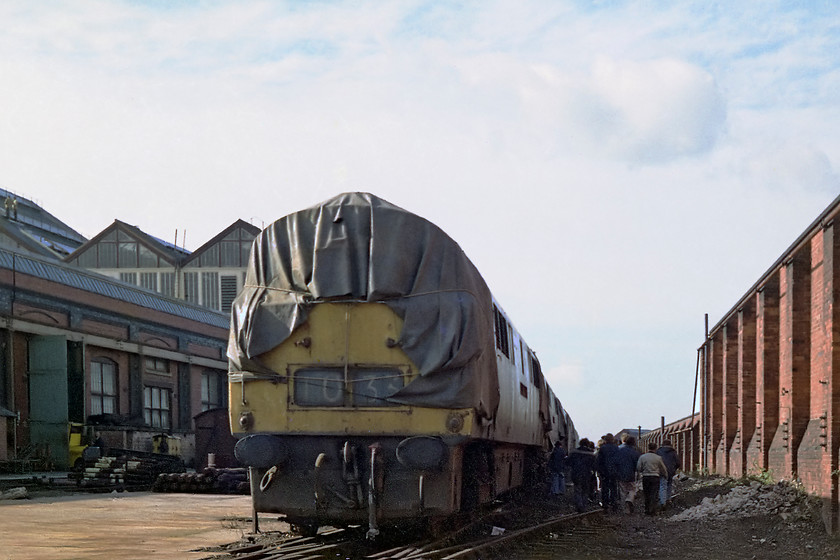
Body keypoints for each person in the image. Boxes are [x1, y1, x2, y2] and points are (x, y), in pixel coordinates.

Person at [637, 442, 668, 515]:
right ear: (655, 448)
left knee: (647, 493)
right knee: (654, 494)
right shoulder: (658, 458)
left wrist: (642, 471)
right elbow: (663, 468)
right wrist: (665, 475)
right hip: (655, 477)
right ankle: (653, 510)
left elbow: (638, 467)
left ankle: (647, 509)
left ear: (648, 448)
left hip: (646, 477)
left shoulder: (642, 457)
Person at [566, 438, 597, 512]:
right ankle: (584, 505)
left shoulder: (574, 452)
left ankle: (579, 505)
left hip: (576, 473)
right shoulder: (591, 453)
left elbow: (568, 462)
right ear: (587, 444)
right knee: (585, 490)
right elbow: (594, 465)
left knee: (577, 489)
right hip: (587, 474)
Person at [595, 433, 620, 512]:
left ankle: (605, 505)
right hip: (614, 471)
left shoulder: (602, 449)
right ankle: (614, 504)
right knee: (613, 488)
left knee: (604, 488)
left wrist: (600, 471)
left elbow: (599, 461)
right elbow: (619, 461)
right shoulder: (616, 448)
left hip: (604, 471)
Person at [616, 435, 641, 513]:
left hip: (620, 473)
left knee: (622, 490)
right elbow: (637, 464)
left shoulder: (618, 449)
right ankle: (629, 499)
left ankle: (625, 509)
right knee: (632, 489)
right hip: (631, 473)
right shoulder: (634, 452)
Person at [656, 440, 681, 508]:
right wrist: (674, 469)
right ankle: (668, 499)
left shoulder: (658, 451)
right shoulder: (673, 452)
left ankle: (662, 502)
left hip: (661, 471)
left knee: (662, 485)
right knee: (669, 485)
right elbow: (678, 462)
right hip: (671, 471)